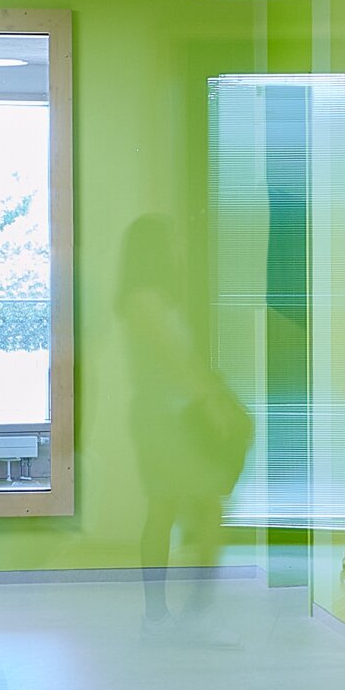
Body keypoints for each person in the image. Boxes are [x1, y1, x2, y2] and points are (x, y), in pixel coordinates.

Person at [116, 213, 248, 620]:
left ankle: (181, 611)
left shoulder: (156, 298)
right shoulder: (144, 301)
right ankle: (171, 612)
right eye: (171, 238)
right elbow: (176, 362)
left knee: (188, 508)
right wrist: (212, 403)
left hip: (173, 420)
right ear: (153, 248)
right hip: (163, 423)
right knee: (175, 509)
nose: (179, 247)